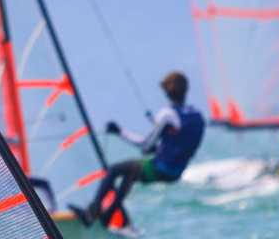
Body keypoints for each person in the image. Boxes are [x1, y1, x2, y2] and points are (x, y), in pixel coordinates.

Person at [72, 71, 205, 228]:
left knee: (115, 170)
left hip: (161, 169)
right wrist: (160, 145)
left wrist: (119, 131)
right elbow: (181, 143)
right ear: (185, 91)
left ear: (166, 92)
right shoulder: (197, 115)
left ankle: (92, 213)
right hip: (176, 172)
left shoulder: (167, 114)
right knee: (130, 174)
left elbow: (145, 145)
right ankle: (108, 216)